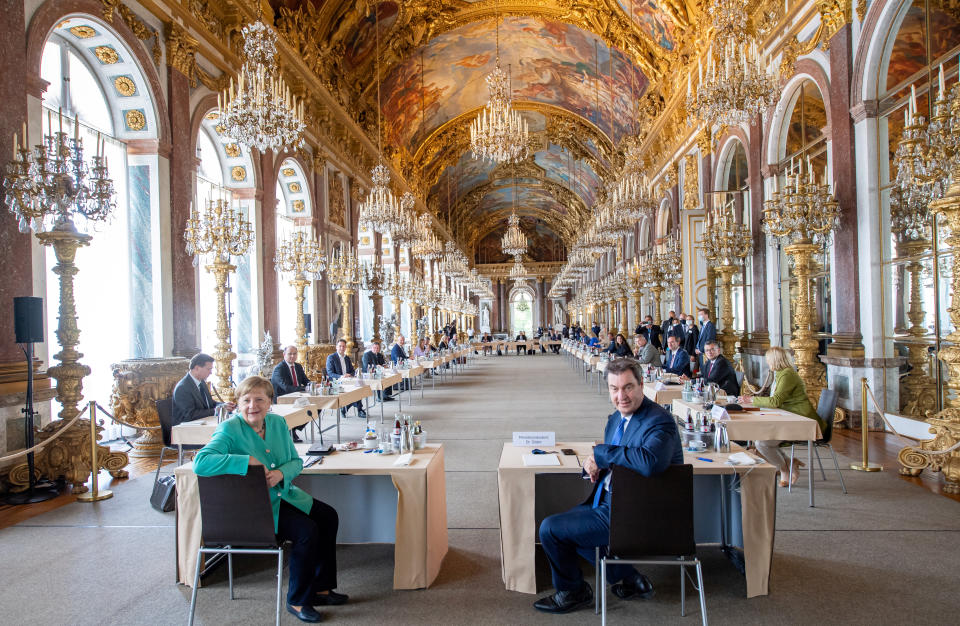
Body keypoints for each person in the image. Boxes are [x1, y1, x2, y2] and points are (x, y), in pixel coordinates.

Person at [193, 376, 347, 623]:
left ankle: (321, 588)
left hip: (283, 495)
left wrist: (280, 474)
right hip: (254, 507)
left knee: (328, 516)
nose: (252, 406)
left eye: (259, 400)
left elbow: (295, 462)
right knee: (306, 531)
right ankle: (297, 600)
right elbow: (201, 463)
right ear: (238, 403)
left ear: (269, 403)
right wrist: (246, 462)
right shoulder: (229, 429)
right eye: (246, 400)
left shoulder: (276, 423)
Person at [534, 358, 683, 614]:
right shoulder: (616, 419)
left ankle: (573, 592)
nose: (621, 396)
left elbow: (648, 462)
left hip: (636, 514)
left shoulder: (660, 422)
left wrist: (601, 453)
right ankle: (629, 578)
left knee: (550, 529)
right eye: (614, 388)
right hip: (611, 501)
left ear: (641, 385)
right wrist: (596, 464)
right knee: (566, 525)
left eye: (627, 387)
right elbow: (620, 456)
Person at [738, 346, 824, 487]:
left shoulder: (787, 375)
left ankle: (784, 468)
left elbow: (775, 401)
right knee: (761, 438)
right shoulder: (780, 374)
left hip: (800, 420)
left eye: (768, 360)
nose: (767, 363)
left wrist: (751, 400)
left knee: (762, 442)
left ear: (775, 360)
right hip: (788, 416)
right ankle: (789, 464)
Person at [172, 353, 233, 426]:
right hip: (187, 429)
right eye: (208, 369)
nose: (210, 372)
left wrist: (223, 405)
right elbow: (190, 415)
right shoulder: (182, 388)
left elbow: (210, 404)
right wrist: (216, 410)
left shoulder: (202, 382)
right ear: (197, 368)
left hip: (203, 423)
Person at [271, 345, 310, 442]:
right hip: (283, 399)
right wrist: (304, 388)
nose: (292, 356)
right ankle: (290, 431)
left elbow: (306, 381)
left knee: (315, 408)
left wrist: (313, 385)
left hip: (297, 397)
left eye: (294, 354)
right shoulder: (279, 369)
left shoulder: (298, 366)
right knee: (301, 409)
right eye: (290, 354)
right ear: (284, 355)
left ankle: (294, 428)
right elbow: (286, 387)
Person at [324, 339, 366, 419]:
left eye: (343, 346)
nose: (342, 348)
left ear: (345, 347)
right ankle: (358, 409)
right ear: (336, 347)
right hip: (337, 382)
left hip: (348, 380)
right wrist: (341, 376)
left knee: (359, 388)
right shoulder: (331, 358)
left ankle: (346, 408)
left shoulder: (347, 358)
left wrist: (349, 375)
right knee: (352, 391)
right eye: (340, 346)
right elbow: (330, 373)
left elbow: (352, 371)